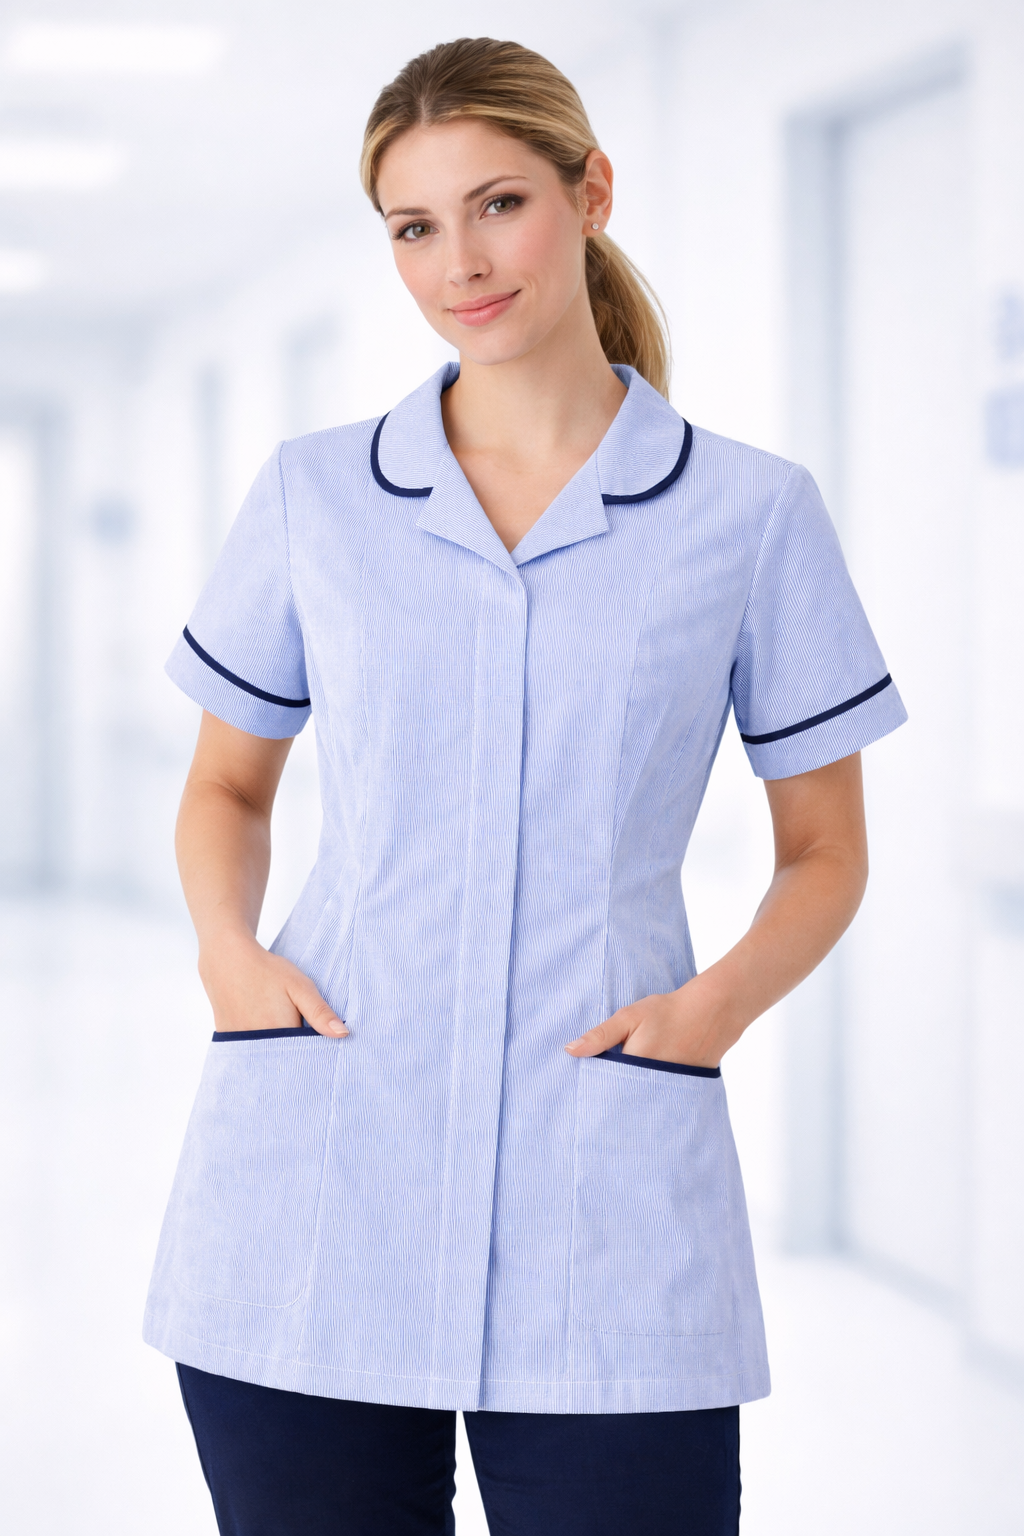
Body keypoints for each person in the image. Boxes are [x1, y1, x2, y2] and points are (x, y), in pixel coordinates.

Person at [144, 36, 907, 1536]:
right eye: (414, 227)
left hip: (604, 1193)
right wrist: (228, 959)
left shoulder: (747, 515)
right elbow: (227, 787)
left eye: (498, 204)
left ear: (591, 192)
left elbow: (825, 849)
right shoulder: (315, 496)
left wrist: (708, 1015)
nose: (459, 263)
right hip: (315, 1175)